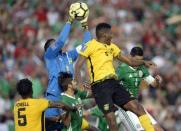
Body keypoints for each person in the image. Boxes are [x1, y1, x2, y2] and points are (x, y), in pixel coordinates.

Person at [75, 22, 156, 131]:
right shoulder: (89, 45)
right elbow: (78, 66)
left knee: (138, 107)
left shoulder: (112, 47)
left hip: (114, 83)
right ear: (104, 34)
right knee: (112, 121)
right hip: (100, 86)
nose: (112, 36)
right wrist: (80, 83)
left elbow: (130, 61)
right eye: (110, 33)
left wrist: (143, 62)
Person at [43, 5, 91, 130]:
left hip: (69, 97)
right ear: (49, 48)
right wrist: (69, 20)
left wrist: (85, 26)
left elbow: (87, 45)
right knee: (53, 127)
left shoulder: (68, 55)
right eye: (53, 44)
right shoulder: (49, 56)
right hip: (55, 97)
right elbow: (61, 41)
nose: (56, 45)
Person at [116, 46, 164, 131]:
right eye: (137, 60)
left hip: (137, 106)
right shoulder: (122, 69)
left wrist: (157, 81)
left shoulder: (142, 68)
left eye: (140, 60)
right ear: (130, 57)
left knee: (158, 129)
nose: (139, 62)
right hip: (126, 108)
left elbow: (154, 85)